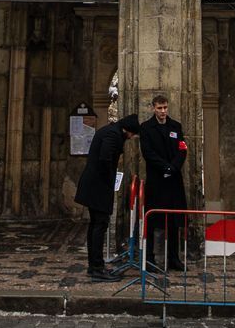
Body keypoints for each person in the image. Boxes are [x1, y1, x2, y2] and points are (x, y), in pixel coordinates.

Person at [76, 114, 138, 280]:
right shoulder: (113, 135)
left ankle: (94, 265)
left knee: (96, 224)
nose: (131, 138)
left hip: (94, 185)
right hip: (98, 186)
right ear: (127, 130)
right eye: (132, 134)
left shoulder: (109, 130)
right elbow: (105, 159)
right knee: (100, 224)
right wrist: (108, 181)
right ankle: (97, 268)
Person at [139, 94, 189, 274]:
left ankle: (173, 257)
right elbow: (147, 152)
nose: (163, 111)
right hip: (156, 180)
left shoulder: (176, 126)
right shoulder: (146, 128)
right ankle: (150, 257)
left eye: (165, 108)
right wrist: (164, 167)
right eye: (159, 108)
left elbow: (182, 149)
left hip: (174, 180)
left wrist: (173, 168)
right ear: (153, 108)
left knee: (174, 220)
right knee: (153, 219)